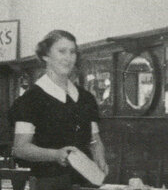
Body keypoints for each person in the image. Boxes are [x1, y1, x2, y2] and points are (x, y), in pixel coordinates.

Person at [9, 29, 108, 182]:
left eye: (72, 52)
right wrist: (55, 155)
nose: (68, 58)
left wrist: (99, 156)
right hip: (49, 185)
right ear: (45, 56)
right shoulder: (30, 99)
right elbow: (20, 148)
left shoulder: (86, 98)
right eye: (62, 51)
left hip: (86, 182)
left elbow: (94, 139)